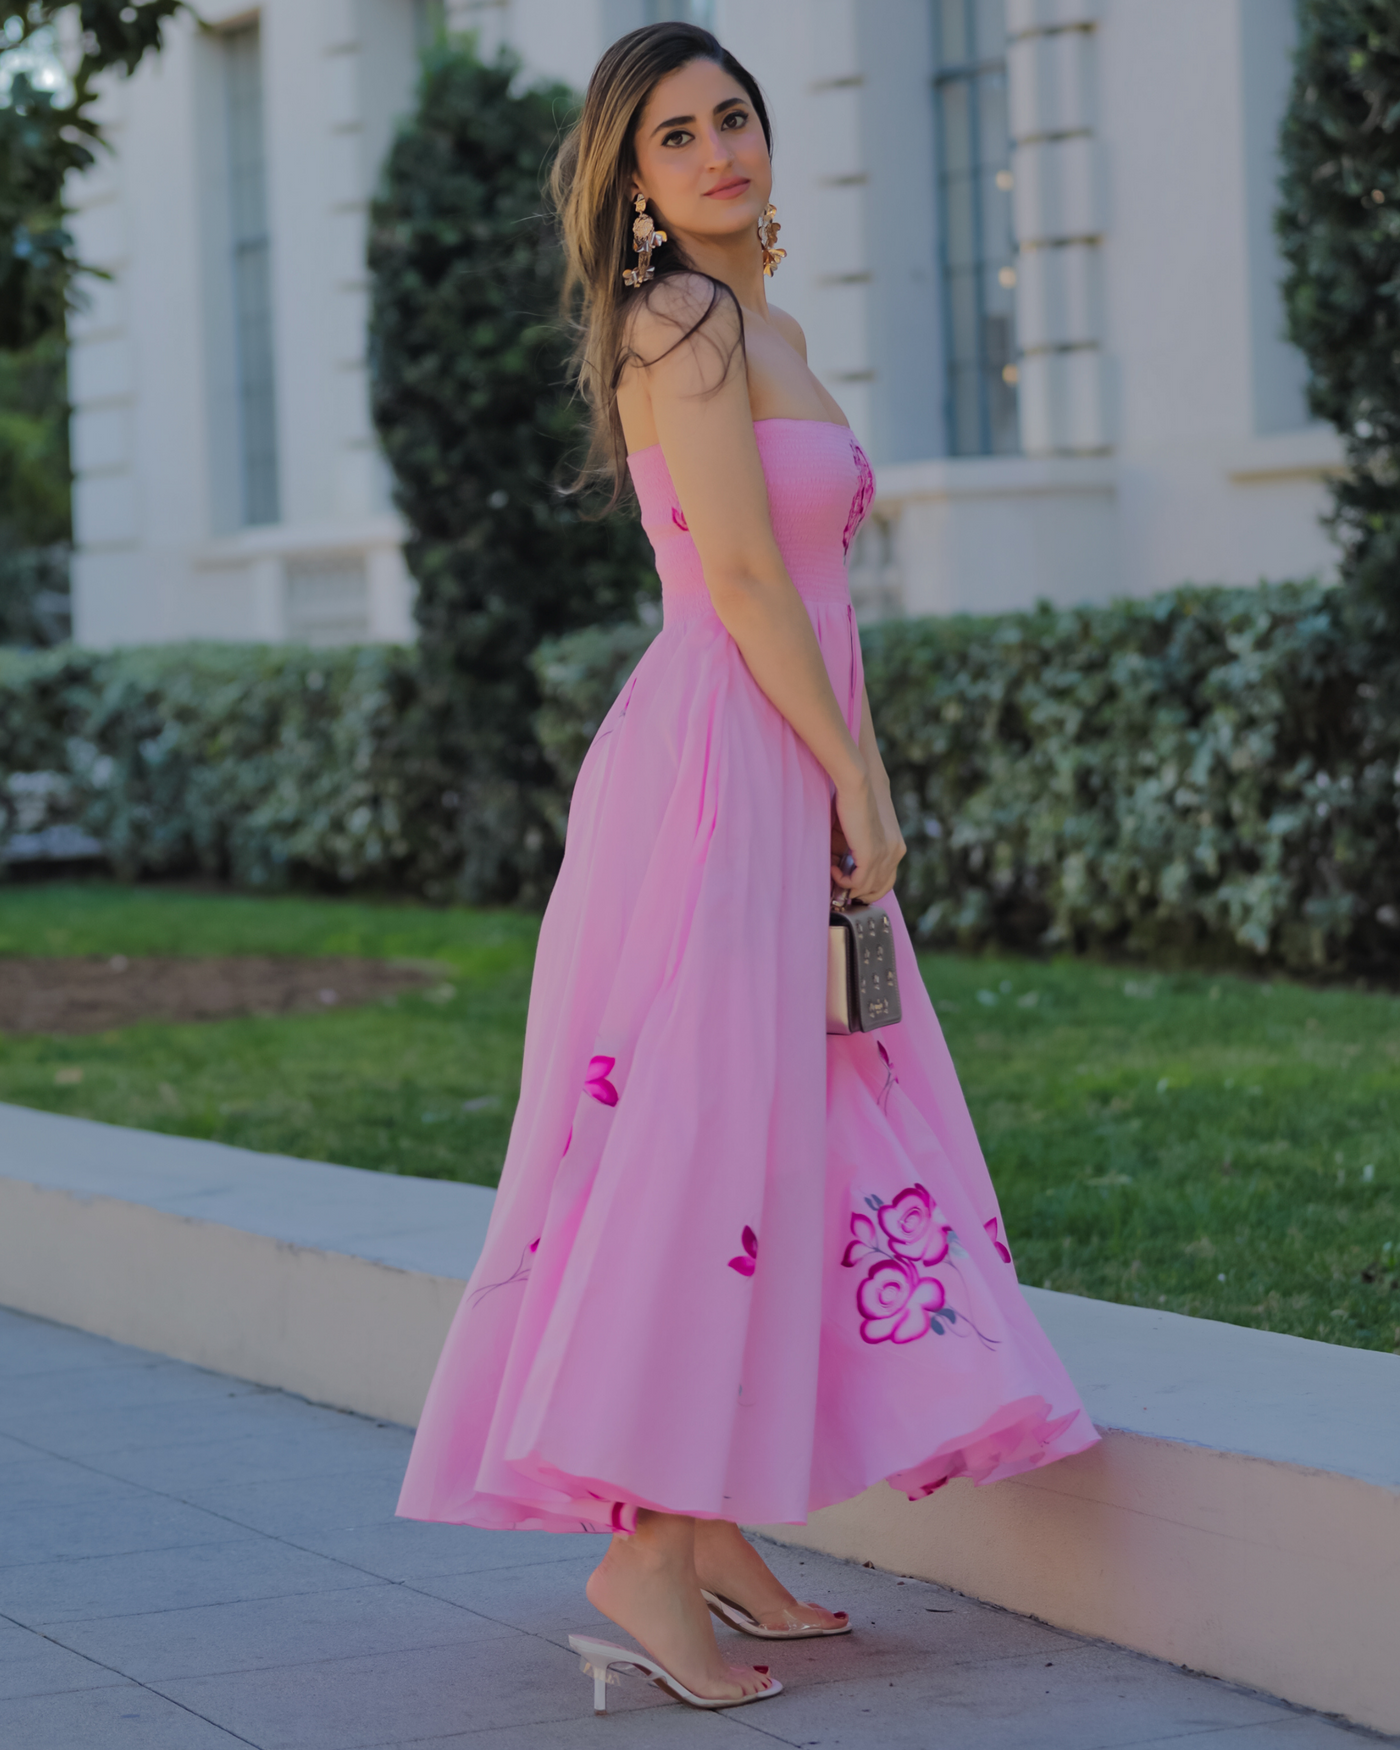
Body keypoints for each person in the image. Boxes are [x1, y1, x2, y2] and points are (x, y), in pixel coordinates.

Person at [397, 21, 1098, 1716]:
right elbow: (747, 589)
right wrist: (855, 773)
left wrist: (850, 764)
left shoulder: (761, 320)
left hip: (776, 754)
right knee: (710, 1134)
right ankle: (642, 1539)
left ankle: (707, 1532)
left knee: (780, 1125)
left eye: (733, 119)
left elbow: (808, 596)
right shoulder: (684, 321)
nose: (717, 152)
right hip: (726, 769)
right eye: (673, 137)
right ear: (630, 186)